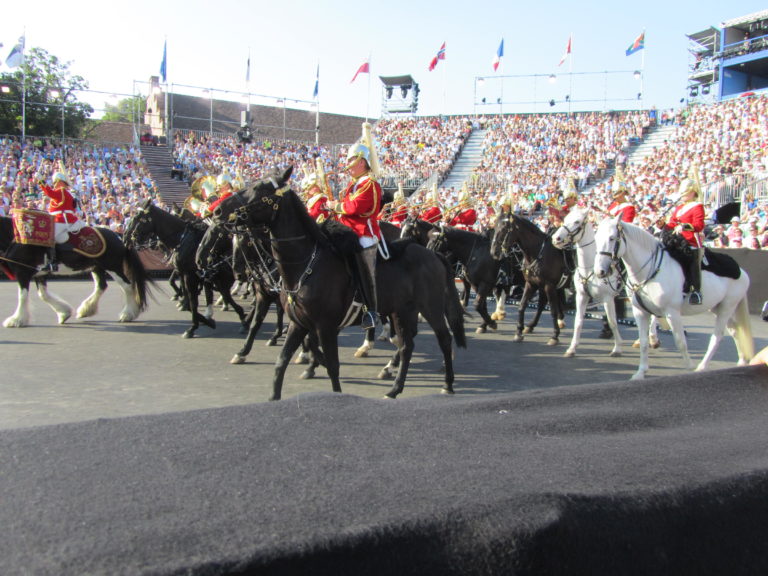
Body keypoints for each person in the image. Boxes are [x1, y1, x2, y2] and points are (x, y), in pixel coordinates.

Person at [333, 125, 383, 330]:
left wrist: (336, 206)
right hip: (346, 230)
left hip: (363, 232)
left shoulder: (370, 184)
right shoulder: (352, 185)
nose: (348, 166)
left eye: (351, 162)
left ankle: (371, 310)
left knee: (365, 269)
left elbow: (359, 208)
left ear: (362, 162)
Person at [665, 175, 706, 304]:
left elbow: (699, 225)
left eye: (685, 192)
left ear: (692, 192)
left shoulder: (697, 206)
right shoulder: (679, 208)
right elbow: (672, 223)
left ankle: (695, 290)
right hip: (676, 238)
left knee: (691, 259)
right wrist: (662, 225)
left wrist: (684, 226)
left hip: (690, 239)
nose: (682, 195)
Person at [38, 171, 84, 271]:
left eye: (55, 183)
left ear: (59, 182)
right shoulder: (65, 193)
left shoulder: (62, 190)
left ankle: (53, 262)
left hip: (62, 219)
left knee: (49, 237)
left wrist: (41, 181)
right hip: (60, 218)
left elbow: (49, 192)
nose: (54, 185)